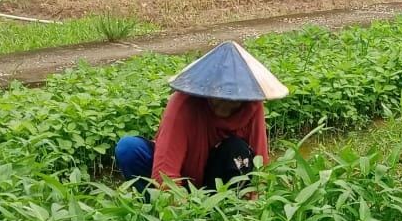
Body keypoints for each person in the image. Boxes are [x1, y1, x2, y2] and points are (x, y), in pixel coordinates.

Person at [114, 41, 288, 192]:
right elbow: (165, 173)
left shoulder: (253, 106)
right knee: (129, 148)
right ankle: (153, 212)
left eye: (232, 99)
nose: (225, 104)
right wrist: (185, 219)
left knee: (236, 149)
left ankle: (224, 213)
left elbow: (260, 167)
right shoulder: (183, 103)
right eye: (219, 97)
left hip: (221, 178)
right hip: (184, 177)